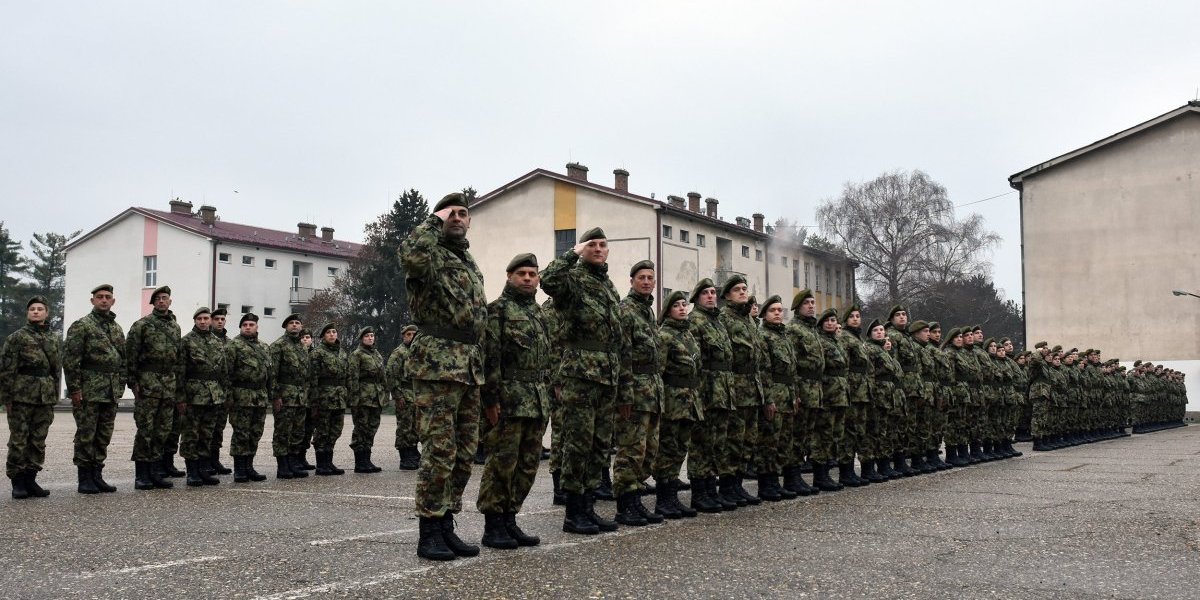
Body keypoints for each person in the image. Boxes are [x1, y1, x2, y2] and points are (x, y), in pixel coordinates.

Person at [399, 192, 488, 561]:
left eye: (463, 213)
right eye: (451, 213)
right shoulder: (428, 253)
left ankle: (446, 523)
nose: (457, 217)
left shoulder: (466, 260)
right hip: (437, 362)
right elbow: (410, 255)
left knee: (465, 453)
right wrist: (433, 219)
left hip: (468, 364)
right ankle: (428, 530)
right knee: (439, 450)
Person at [540, 227, 628, 535]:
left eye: (603, 244)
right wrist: (572, 253)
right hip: (580, 373)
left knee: (599, 444)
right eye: (593, 244)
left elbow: (616, 333)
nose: (599, 249)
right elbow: (547, 280)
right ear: (584, 248)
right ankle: (574, 511)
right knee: (578, 444)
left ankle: (589, 507)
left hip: (606, 374)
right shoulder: (574, 279)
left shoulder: (607, 286)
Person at [477, 253, 552, 549]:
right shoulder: (498, 311)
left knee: (528, 465)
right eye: (521, 273)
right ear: (509, 277)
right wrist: (490, 400)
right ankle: (493, 524)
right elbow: (490, 358)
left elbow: (546, 359)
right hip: (508, 401)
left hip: (535, 401)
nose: (527, 278)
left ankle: (510, 518)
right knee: (502, 464)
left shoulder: (538, 313)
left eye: (532, 274)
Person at [613, 260, 664, 526]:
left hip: (652, 392)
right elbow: (623, 355)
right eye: (641, 277)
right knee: (631, 450)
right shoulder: (626, 310)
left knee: (649, 450)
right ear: (631, 281)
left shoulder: (647, 312)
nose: (646, 281)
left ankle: (636, 499)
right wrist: (625, 394)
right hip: (634, 392)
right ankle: (624, 505)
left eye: (650, 278)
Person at [63, 284, 125, 494]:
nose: (104, 300)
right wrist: (74, 390)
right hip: (89, 390)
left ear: (113, 301)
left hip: (110, 390)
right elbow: (71, 361)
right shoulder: (82, 325)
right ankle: (84, 478)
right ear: (92, 301)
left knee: (103, 434)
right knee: (86, 434)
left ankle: (97, 475)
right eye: (100, 297)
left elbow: (122, 360)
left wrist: (120, 386)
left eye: (108, 297)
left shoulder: (116, 328)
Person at [2, 296, 62, 499]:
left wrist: (54, 392)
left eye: (40, 309)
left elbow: (56, 369)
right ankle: (17, 481)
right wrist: (7, 398)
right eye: (32, 309)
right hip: (22, 396)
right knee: (19, 439)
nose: (36, 311)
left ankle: (31, 479)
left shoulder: (53, 338)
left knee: (38, 440)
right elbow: (7, 369)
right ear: (27, 313)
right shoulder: (17, 337)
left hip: (44, 397)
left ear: (47, 313)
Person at [718, 275, 770, 505]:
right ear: (727, 295)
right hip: (735, 389)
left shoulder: (749, 321)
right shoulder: (724, 319)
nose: (742, 292)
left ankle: (737, 486)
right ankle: (727, 487)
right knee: (733, 441)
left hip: (753, 389)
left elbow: (760, 361)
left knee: (748, 441)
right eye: (737, 289)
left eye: (745, 289)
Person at [687, 278, 737, 511]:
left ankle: (711, 488)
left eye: (712, 292)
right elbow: (693, 361)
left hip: (722, 390)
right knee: (702, 443)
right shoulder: (695, 321)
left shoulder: (717, 322)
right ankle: (699, 492)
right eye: (705, 293)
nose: (710, 296)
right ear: (697, 298)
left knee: (717, 442)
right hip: (706, 390)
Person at [127, 285, 182, 490]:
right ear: (153, 302)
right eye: (157, 298)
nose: (161, 301)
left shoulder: (175, 327)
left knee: (163, 430)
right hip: (148, 383)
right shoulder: (142, 325)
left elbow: (176, 358)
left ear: (170, 301)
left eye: (164, 297)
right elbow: (131, 354)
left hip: (168, 384)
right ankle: (141, 475)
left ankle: (156, 471)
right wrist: (133, 382)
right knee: (146, 430)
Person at [654, 290, 703, 516]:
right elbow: (659, 372)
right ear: (668, 310)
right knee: (667, 449)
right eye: (677, 305)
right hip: (672, 402)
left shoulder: (688, 335)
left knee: (680, 449)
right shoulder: (664, 335)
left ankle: (672, 497)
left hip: (689, 400)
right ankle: (663, 499)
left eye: (684, 304)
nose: (683, 308)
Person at [177, 306, 227, 486]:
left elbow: (223, 371)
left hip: (214, 395)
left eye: (206, 318)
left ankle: (204, 469)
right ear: (195, 321)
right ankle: (192, 472)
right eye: (200, 319)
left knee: (207, 434)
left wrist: (224, 393)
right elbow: (180, 371)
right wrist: (181, 398)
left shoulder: (217, 342)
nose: (204, 322)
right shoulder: (187, 341)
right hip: (193, 395)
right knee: (191, 434)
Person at [757, 295, 799, 500]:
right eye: (773, 310)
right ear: (765, 314)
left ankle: (777, 482)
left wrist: (795, 395)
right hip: (774, 393)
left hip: (788, 395)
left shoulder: (784, 336)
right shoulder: (763, 335)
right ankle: (767, 484)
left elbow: (792, 370)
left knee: (784, 442)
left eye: (780, 310)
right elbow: (763, 371)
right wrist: (768, 399)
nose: (777, 313)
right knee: (769, 442)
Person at [783, 290, 822, 496]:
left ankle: (796, 475)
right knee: (796, 435)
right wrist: (795, 392)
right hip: (802, 388)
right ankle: (791, 476)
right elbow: (792, 365)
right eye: (806, 303)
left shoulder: (812, 330)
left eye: (812, 302)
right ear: (798, 307)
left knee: (806, 434)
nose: (811, 306)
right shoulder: (794, 330)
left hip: (814, 388)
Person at [226, 312, 272, 482]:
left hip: (259, 397)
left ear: (256, 327)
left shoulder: (264, 347)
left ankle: (249, 466)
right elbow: (227, 374)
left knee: (255, 433)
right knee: (241, 433)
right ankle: (239, 469)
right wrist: (229, 397)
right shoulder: (233, 346)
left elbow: (269, 374)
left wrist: (270, 395)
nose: (248, 327)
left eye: (251, 325)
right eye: (244, 325)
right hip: (241, 396)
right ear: (240, 327)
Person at [269, 314, 311, 479]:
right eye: (291, 323)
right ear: (286, 327)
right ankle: (283, 466)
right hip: (285, 396)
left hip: (300, 396)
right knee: (282, 432)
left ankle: (293, 463)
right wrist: (276, 395)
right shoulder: (278, 346)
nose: (294, 325)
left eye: (297, 323)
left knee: (297, 432)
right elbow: (273, 374)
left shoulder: (302, 347)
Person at [812, 308, 849, 491]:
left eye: (833, 320)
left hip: (840, 395)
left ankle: (827, 472)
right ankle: (820, 475)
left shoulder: (838, 342)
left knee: (835, 434)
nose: (830, 323)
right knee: (823, 435)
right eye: (826, 320)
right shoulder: (820, 341)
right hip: (826, 394)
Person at [309, 323, 348, 476]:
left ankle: (329, 462)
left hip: (339, 397)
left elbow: (347, 375)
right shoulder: (317, 353)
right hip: (324, 398)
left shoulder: (342, 353)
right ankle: (321, 464)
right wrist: (314, 402)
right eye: (328, 332)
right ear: (323, 336)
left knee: (335, 430)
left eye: (334, 332)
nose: (332, 334)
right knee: (322, 431)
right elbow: (313, 379)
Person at [348, 326, 387, 474]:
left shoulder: (376, 354)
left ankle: (367, 459)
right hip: (362, 398)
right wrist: (354, 400)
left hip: (376, 398)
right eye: (367, 336)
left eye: (372, 336)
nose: (370, 338)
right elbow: (353, 378)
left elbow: (383, 376)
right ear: (361, 339)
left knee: (371, 429)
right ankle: (360, 462)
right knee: (361, 429)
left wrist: (384, 393)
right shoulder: (357, 355)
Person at [388, 325, 420, 470]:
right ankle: (404, 457)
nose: (412, 337)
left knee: (415, 427)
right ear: (404, 336)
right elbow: (391, 375)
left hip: (416, 395)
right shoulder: (399, 353)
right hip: (404, 394)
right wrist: (397, 395)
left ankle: (413, 453)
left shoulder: (417, 351)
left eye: (414, 334)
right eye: (409, 334)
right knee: (404, 427)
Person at [208, 307, 233, 475]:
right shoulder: (205, 339)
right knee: (206, 429)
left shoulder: (230, 343)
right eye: (216, 319)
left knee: (218, 428)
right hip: (207, 392)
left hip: (223, 392)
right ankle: (204, 463)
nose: (219, 321)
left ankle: (214, 460)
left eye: (222, 319)